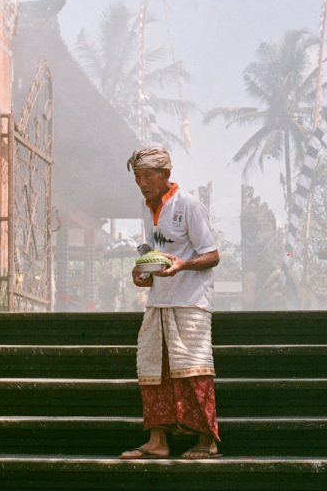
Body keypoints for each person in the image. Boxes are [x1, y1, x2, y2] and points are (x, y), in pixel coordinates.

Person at [120, 147, 221, 460]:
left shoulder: (188, 204)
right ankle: (157, 440)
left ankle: (207, 440)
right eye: (137, 176)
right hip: (159, 301)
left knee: (194, 369)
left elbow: (212, 254)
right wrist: (143, 271)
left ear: (165, 174)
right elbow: (152, 251)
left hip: (190, 302)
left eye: (147, 175)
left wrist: (183, 265)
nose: (142, 182)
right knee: (152, 368)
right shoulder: (145, 205)